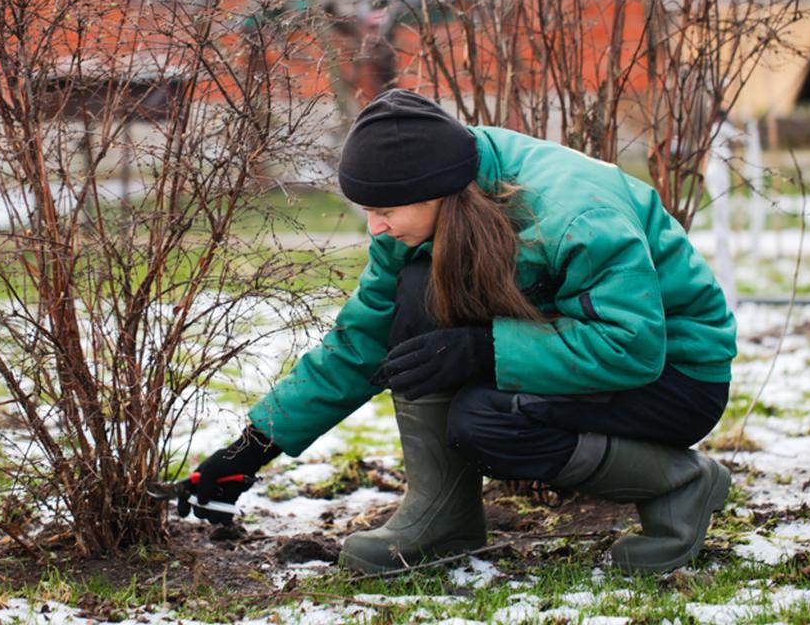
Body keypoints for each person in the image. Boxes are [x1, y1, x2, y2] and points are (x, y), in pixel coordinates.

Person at [178, 89, 737, 575]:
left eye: (382, 210)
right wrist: (251, 449)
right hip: (588, 360)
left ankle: (679, 483)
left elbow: (630, 346)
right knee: (418, 295)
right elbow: (362, 341)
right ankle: (444, 519)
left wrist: (483, 349)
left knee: (487, 421)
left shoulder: (574, 214)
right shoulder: (432, 206)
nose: (374, 226)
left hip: (675, 378)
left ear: (436, 192)